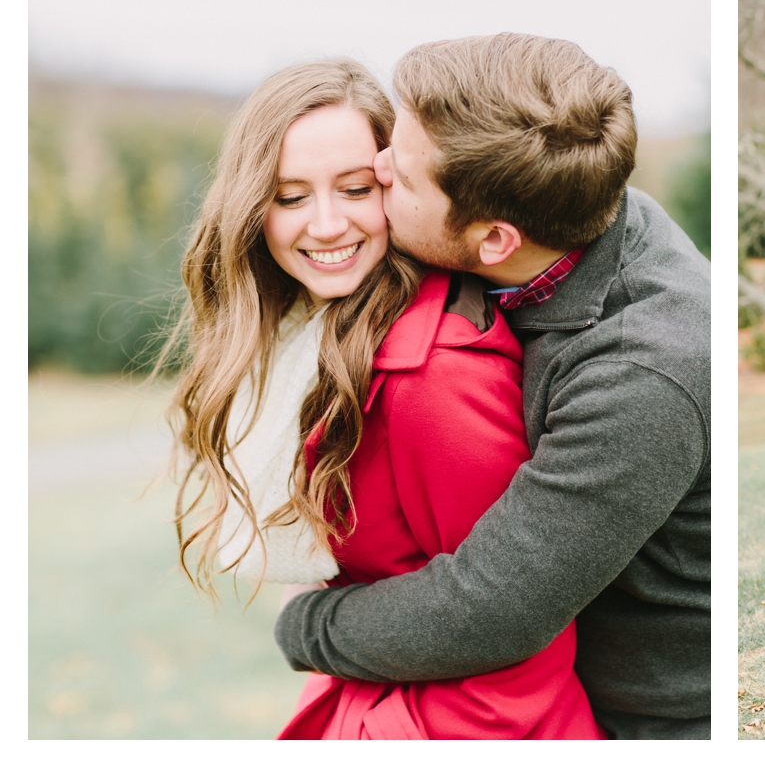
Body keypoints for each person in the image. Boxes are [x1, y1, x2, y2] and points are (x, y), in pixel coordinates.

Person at [271, 34, 711, 740]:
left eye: (404, 178)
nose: (378, 168)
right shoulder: (567, 198)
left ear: (495, 241)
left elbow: (491, 607)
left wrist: (306, 624)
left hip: (652, 721)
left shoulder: (642, 376)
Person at [164, 59, 601, 739]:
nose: (329, 224)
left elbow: (516, 637)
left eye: (355, 187)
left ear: (393, 183)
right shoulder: (307, 336)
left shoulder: (436, 373)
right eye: (291, 197)